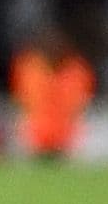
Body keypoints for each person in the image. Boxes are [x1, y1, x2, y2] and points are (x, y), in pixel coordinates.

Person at [8, 25, 95, 161]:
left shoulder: (78, 70)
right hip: (33, 134)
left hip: (68, 136)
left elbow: (83, 105)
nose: (52, 46)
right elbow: (19, 100)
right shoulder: (28, 67)